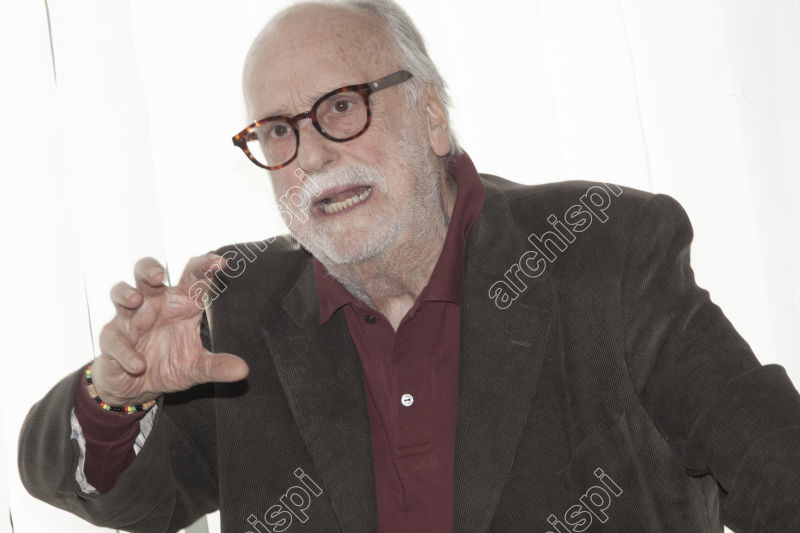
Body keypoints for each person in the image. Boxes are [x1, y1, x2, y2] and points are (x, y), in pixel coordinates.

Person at [19, 1, 800, 532]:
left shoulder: (602, 249)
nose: (311, 155)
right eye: (279, 130)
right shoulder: (241, 309)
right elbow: (122, 496)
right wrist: (116, 393)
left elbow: (775, 462)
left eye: (341, 107)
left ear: (431, 115)